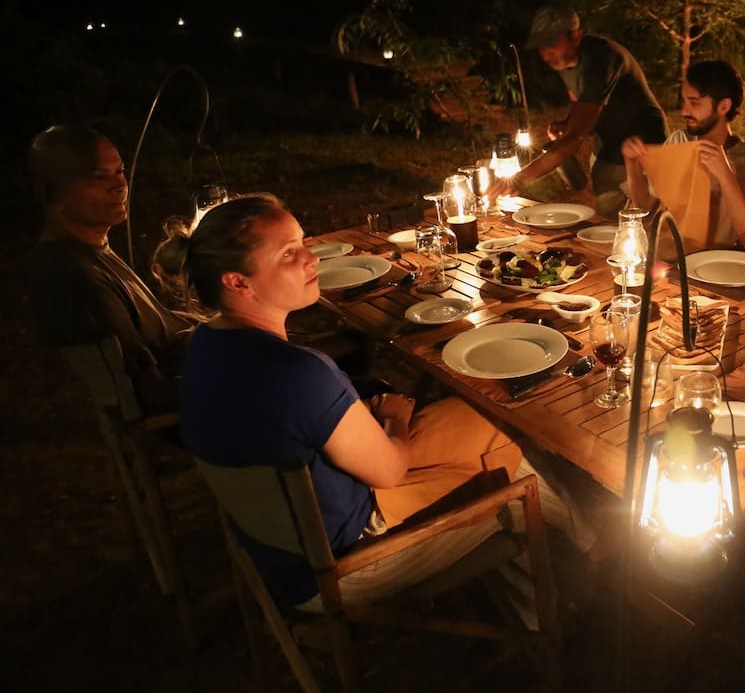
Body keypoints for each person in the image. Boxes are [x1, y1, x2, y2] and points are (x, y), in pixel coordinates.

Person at [159, 194, 596, 610]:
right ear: (237, 282)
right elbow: (389, 469)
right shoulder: (297, 372)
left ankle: (584, 543)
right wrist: (394, 420)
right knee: (510, 471)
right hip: (344, 561)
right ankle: (559, 595)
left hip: (294, 534)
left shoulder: (204, 344)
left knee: (495, 417)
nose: (311, 258)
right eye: (289, 254)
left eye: (302, 244)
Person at [26, 125, 196, 415]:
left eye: (119, 171)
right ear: (50, 191)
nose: (119, 185)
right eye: (97, 177)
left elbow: (159, 332)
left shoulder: (90, 250)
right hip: (206, 414)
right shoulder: (76, 277)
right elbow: (151, 393)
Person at [494, 4, 668, 218]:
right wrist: (568, 122)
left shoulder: (601, 59)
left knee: (642, 217)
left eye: (552, 43)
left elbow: (576, 138)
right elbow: (579, 102)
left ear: (575, 37)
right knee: (607, 212)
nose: (546, 53)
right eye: (541, 46)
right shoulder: (565, 61)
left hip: (642, 142)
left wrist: (520, 179)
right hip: (608, 144)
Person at [621, 60, 745, 252]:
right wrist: (631, 163)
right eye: (684, 101)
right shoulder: (680, 142)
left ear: (724, 106)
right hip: (670, 257)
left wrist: (725, 176)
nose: (685, 111)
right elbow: (643, 205)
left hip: (716, 267)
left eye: (694, 103)